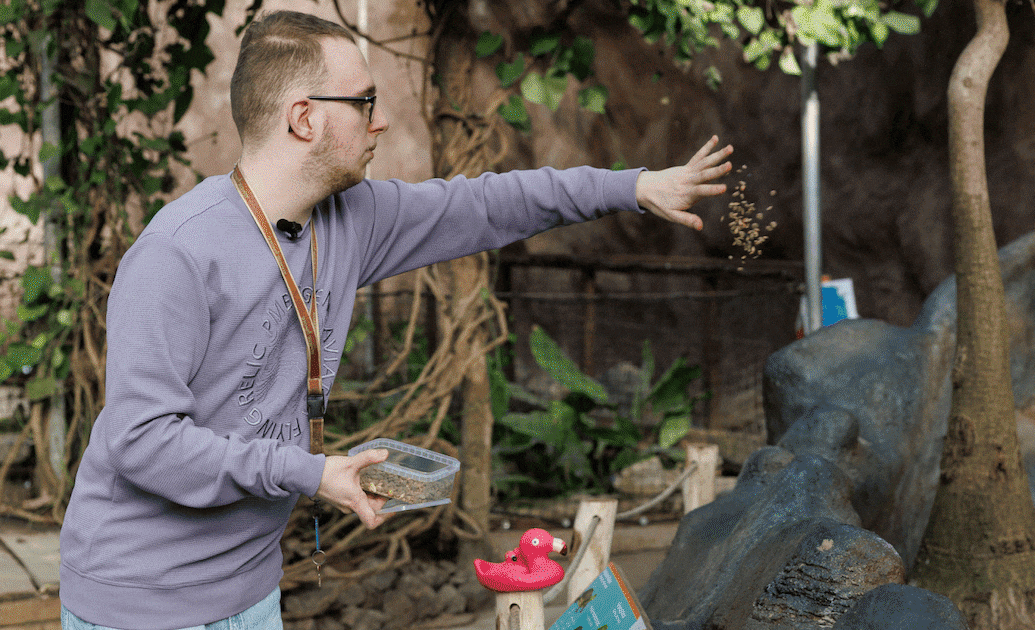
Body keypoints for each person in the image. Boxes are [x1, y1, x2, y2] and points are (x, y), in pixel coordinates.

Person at [58, 9, 732, 630]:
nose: (380, 121)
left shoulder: (350, 220)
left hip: (251, 591)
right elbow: (143, 443)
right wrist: (310, 473)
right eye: (364, 103)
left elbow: (490, 204)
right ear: (303, 119)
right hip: (139, 602)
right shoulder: (177, 252)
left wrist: (631, 187)